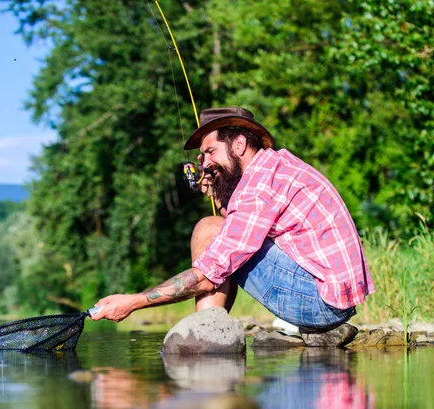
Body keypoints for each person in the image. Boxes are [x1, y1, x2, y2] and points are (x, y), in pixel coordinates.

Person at [91, 106, 375, 346]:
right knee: (220, 229)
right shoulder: (275, 168)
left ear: (239, 144)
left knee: (209, 229)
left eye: (211, 151)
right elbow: (243, 229)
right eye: (202, 157)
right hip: (331, 301)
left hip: (320, 303)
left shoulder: (257, 186)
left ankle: (207, 336)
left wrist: (133, 301)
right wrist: (217, 195)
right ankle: (215, 330)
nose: (206, 163)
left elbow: (211, 269)